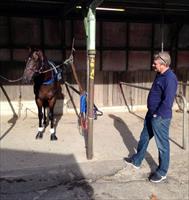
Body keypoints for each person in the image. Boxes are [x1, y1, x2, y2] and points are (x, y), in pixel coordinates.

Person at [124, 51, 178, 183]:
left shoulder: (170, 78)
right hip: (151, 114)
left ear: (163, 64)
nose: (153, 65)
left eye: (155, 63)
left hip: (160, 117)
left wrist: (156, 114)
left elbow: (168, 101)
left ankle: (162, 171)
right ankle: (137, 160)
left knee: (162, 145)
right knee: (144, 137)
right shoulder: (160, 74)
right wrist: (151, 112)